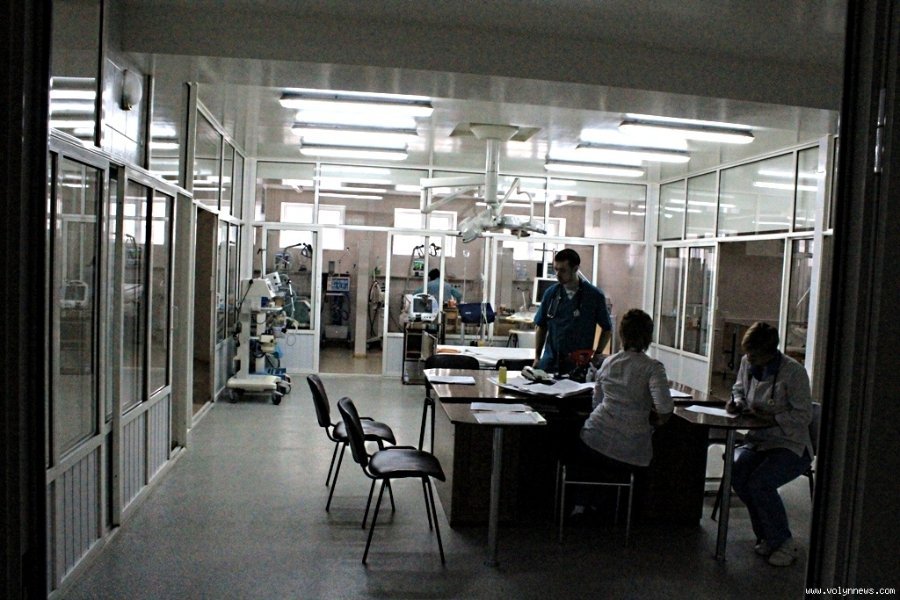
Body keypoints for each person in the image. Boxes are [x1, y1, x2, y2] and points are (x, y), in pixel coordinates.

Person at [725, 322, 813, 567]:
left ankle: (784, 542)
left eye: (754, 356)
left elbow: (804, 415)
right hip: (760, 440)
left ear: (770, 352)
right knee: (738, 474)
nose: (749, 360)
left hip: (789, 443)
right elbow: (738, 388)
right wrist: (737, 402)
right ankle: (767, 535)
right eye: (748, 354)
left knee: (760, 482)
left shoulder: (793, 373)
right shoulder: (748, 362)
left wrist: (773, 418)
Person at [579, 308, 674, 470]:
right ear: (648, 337)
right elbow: (664, 409)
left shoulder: (608, 362)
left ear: (622, 334)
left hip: (594, 436)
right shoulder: (653, 368)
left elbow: (597, 402)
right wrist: (653, 423)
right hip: (630, 448)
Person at [533, 248, 613, 374]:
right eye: (556, 269)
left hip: (578, 365)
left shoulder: (594, 296)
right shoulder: (551, 294)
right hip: (551, 363)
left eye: (563, 270)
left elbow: (607, 328)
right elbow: (541, 326)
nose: (557, 274)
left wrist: (597, 355)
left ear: (575, 269)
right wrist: (537, 357)